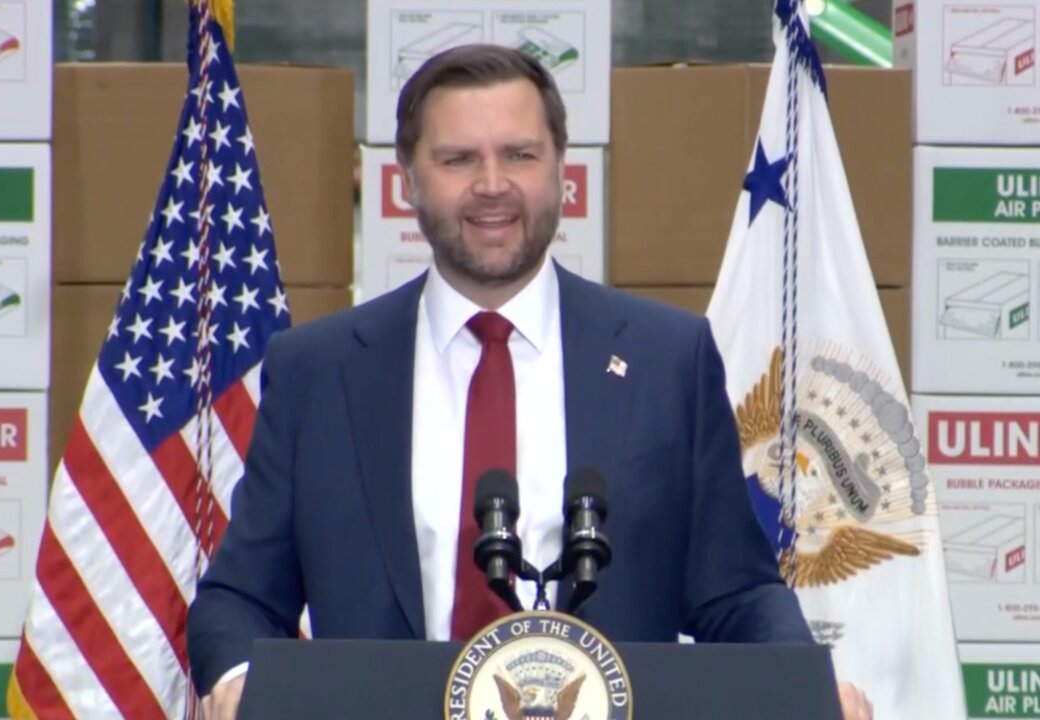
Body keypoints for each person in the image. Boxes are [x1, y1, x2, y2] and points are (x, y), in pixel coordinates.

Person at [186, 43, 873, 720]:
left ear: (561, 170)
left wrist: (806, 689)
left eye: (519, 154)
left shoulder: (669, 361)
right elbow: (238, 598)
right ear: (407, 180)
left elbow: (736, 595)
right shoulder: (318, 372)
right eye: (458, 159)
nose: (492, 184)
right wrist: (242, 681)